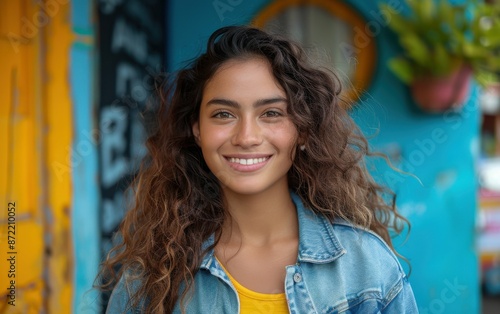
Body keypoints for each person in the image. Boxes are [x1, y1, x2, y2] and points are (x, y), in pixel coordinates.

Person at [98, 25, 418, 313]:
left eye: (271, 113)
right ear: (197, 129)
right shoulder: (149, 283)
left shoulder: (366, 268)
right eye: (224, 114)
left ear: (303, 129)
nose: (247, 137)